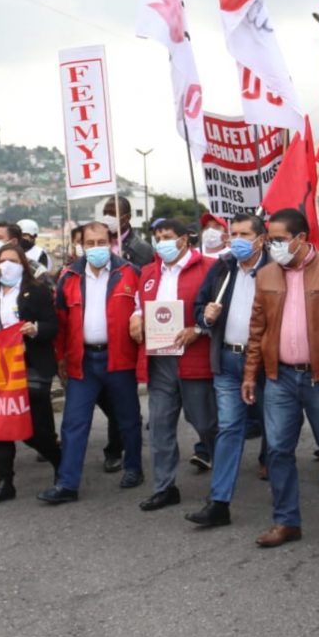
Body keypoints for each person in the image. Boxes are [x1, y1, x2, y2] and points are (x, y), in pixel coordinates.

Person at [243, 208, 319, 548]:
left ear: (301, 239)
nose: (272, 246)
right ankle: (286, 521)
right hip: (279, 377)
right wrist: (251, 373)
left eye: (278, 240)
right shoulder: (265, 275)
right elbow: (257, 329)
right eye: (269, 239)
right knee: (278, 449)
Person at [42, 222, 145, 503]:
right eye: (90, 243)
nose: (96, 248)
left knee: (127, 418)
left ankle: (133, 467)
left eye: (102, 242)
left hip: (119, 357)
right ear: (82, 246)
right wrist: (61, 357)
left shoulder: (129, 273)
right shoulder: (69, 277)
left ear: (111, 243)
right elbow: (61, 322)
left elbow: (143, 307)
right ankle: (67, 484)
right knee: (73, 422)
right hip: (83, 360)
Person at [186, 213, 271, 528]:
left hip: (266, 364)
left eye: (244, 234)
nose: (236, 239)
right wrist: (206, 316)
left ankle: (289, 502)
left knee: (276, 432)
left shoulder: (275, 270)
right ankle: (219, 502)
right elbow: (199, 308)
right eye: (232, 233)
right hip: (227, 362)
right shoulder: (222, 267)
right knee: (229, 430)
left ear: (261, 238)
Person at [129, 218, 218, 510]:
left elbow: (218, 310)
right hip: (160, 359)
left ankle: (221, 482)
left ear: (183, 239)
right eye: (157, 236)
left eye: (167, 236)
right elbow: (140, 305)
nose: (161, 241)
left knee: (204, 422)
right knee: (160, 425)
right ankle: (164, 487)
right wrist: (136, 317)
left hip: (193, 356)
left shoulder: (208, 268)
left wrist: (199, 330)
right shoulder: (149, 272)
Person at [0, 242, 61, 505]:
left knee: (35, 430)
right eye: (1, 261)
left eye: (12, 260)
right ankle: (4, 482)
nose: (5, 266)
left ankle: (60, 462)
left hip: (29, 368)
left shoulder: (36, 292)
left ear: (23, 264)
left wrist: (35, 329)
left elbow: (51, 326)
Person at [103, 196, 154, 267]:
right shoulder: (99, 243)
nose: (107, 218)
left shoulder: (142, 249)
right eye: (105, 213)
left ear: (127, 218)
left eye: (112, 214)